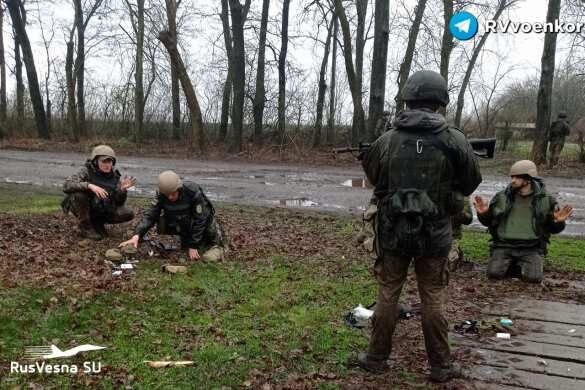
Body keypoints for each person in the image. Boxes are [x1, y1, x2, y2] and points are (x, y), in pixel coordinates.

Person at [357, 70, 482, 383]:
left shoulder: (387, 140)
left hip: (393, 231)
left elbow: (375, 179)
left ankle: (375, 358)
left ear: (408, 100)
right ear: (439, 102)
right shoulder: (454, 140)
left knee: (388, 295)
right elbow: (470, 183)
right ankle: (441, 366)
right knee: (433, 297)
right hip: (435, 234)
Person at [473, 160, 573, 283]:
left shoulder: (545, 200)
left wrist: (558, 222)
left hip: (531, 247)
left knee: (534, 278)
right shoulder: (502, 197)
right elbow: (489, 222)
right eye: (512, 177)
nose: (513, 180)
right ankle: (512, 264)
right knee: (493, 274)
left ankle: (521, 264)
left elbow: (552, 229)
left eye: (517, 177)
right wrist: (483, 213)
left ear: (528, 179)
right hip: (504, 245)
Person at [119, 170, 225, 261]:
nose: (170, 197)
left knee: (209, 227)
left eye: (173, 193)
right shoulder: (162, 195)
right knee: (163, 223)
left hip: (199, 222)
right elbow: (150, 215)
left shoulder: (192, 191)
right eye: (167, 194)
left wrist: (193, 245)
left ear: (178, 188)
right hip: (183, 223)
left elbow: (200, 218)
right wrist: (137, 235)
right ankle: (191, 241)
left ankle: (217, 246)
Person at [62, 145, 135, 240]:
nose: (107, 164)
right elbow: (66, 185)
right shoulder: (86, 171)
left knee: (128, 212)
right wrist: (89, 186)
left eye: (109, 161)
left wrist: (122, 190)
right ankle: (85, 226)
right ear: (96, 161)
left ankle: (97, 223)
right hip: (84, 206)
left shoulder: (114, 177)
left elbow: (118, 202)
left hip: (102, 207)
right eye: (104, 161)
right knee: (79, 195)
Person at [448, 197, 473, 270]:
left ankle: (456, 252)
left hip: (451, 237)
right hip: (430, 236)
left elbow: (468, 219)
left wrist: (458, 211)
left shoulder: (460, 196)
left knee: (449, 266)